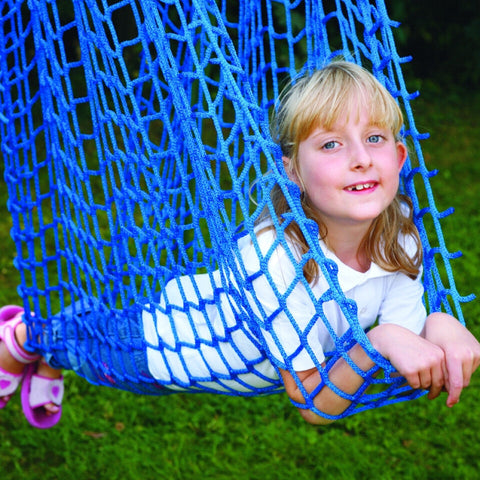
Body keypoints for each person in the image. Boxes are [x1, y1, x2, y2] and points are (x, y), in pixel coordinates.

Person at [1, 61, 479, 428]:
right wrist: (380, 339)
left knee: (79, 334)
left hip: (236, 350)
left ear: (398, 157)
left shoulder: (402, 238)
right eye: (331, 144)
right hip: (167, 345)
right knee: (82, 342)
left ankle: (42, 349)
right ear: (292, 172)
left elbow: (403, 349)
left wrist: (439, 323)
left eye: (374, 138)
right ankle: (21, 340)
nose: (359, 159)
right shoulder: (274, 259)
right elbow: (316, 402)